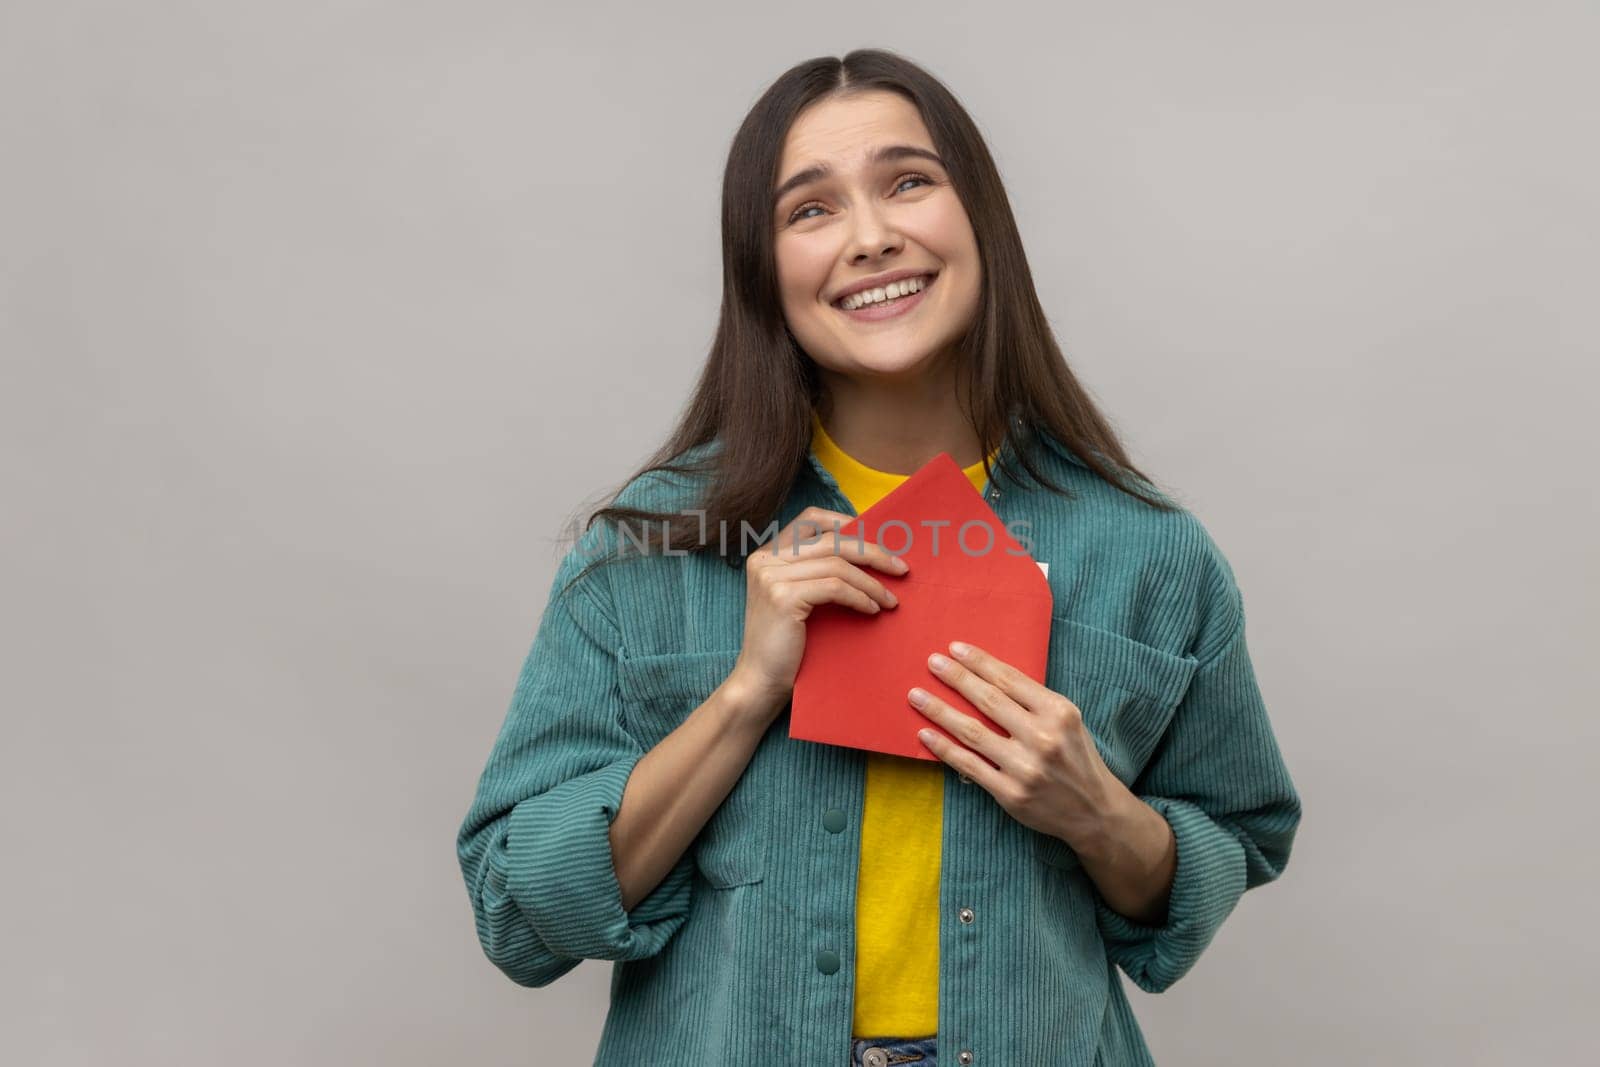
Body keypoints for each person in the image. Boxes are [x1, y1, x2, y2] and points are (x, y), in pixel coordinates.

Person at [455, 48, 1301, 1067]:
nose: (870, 236)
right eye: (809, 210)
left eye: (908, 182)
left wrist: (1099, 813)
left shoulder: (1151, 554)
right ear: (764, 268)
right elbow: (517, 910)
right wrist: (742, 697)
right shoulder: (645, 553)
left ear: (978, 217)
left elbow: (1233, 839)